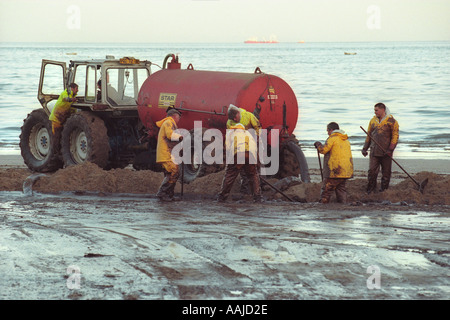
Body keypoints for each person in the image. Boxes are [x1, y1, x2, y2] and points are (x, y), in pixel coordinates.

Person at [217, 123, 262, 202]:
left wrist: (229, 164)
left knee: (230, 175)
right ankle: (257, 197)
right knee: (253, 175)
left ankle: (222, 197)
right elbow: (254, 149)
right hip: (251, 154)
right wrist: (255, 166)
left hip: (239, 153)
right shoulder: (248, 134)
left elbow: (227, 148)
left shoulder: (231, 133)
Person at [361, 102, 399, 193]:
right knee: (372, 171)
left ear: (383, 110)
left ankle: (384, 190)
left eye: (376, 110)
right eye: (374, 110)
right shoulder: (373, 121)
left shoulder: (392, 121)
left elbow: (395, 137)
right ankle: (370, 190)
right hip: (374, 151)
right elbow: (369, 135)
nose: (375, 112)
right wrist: (365, 148)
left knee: (386, 172)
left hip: (386, 152)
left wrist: (390, 149)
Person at [314, 122, 353, 204]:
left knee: (326, 190)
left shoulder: (332, 138)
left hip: (335, 170)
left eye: (327, 131)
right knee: (341, 189)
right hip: (345, 170)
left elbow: (323, 150)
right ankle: (343, 204)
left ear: (331, 130)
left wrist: (318, 145)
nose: (327, 133)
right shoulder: (345, 140)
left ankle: (323, 205)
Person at [226, 104, 262, 193]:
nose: (234, 120)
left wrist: (257, 139)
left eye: (235, 118)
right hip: (239, 148)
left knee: (255, 168)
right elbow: (229, 141)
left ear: (238, 113)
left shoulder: (249, 116)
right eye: (232, 119)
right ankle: (246, 190)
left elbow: (258, 128)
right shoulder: (229, 123)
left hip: (251, 144)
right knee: (244, 170)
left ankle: (257, 189)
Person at [155, 108, 183, 201]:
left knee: (171, 173)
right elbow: (170, 135)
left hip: (168, 153)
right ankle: (162, 193)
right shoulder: (168, 122)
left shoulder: (170, 123)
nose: (179, 120)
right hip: (166, 153)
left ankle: (169, 195)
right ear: (174, 116)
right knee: (174, 171)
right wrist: (181, 137)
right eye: (178, 117)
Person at [49, 83, 79, 151]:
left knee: (61, 136)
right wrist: (71, 99)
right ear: (72, 88)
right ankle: (54, 153)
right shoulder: (65, 93)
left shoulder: (73, 96)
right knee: (56, 136)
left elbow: (71, 109)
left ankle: (59, 151)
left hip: (62, 118)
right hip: (56, 118)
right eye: (76, 89)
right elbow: (66, 98)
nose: (77, 90)